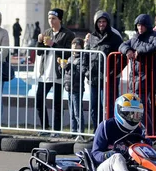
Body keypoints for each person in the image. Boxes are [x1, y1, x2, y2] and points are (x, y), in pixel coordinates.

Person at [91, 93, 150, 171]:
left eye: (137, 114)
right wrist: (107, 155)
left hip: (126, 170)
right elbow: (95, 154)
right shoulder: (106, 126)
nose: (134, 118)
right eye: (130, 114)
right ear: (121, 112)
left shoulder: (138, 130)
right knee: (117, 157)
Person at [119, 14, 156, 136]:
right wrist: (128, 51)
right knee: (143, 107)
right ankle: (149, 132)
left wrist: (139, 51)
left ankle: (150, 133)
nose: (140, 28)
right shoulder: (135, 37)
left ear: (147, 26)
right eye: (138, 25)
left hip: (146, 77)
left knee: (140, 107)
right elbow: (122, 45)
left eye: (142, 25)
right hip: (134, 78)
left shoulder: (154, 36)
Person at [35, 8, 75, 136]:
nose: (51, 21)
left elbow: (68, 52)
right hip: (45, 72)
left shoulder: (68, 34)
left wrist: (53, 44)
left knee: (57, 103)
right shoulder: (46, 32)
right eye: (49, 18)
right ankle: (44, 127)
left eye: (53, 18)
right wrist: (39, 42)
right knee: (39, 99)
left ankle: (56, 130)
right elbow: (39, 52)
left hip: (58, 72)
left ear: (60, 20)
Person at [84, 10, 123, 132]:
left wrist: (112, 73)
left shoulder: (115, 38)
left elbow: (122, 58)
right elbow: (86, 55)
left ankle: (110, 132)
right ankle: (97, 131)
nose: (102, 24)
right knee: (94, 107)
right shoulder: (91, 38)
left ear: (108, 22)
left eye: (104, 21)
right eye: (99, 22)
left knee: (109, 106)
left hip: (109, 79)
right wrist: (87, 71)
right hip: (94, 78)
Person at [61, 38, 87, 140]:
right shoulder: (70, 58)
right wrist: (62, 67)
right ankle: (73, 132)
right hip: (69, 87)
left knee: (77, 112)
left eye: (77, 47)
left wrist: (68, 67)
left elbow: (79, 73)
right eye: (73, 47)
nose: (75, 49)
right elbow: (66, 73)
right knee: (71, 111)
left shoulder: (82, 59)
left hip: (77, 88)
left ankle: (80, 133)